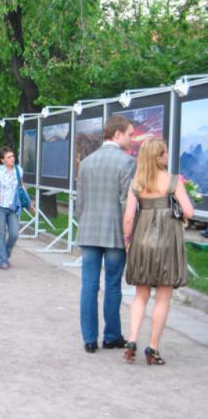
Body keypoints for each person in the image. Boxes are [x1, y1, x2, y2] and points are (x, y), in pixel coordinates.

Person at [122, 138, 193, 365]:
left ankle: (131, 339)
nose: (167, 157)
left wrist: (127, 240)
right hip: (167, 242)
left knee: (140, 295)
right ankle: (152, 347)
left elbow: (128, 217)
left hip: (142, 240)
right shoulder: (173, 182)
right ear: (159, 156)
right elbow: (189, 212)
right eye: (165, 153)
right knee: (163, 297)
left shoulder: (137, 182)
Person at [76, 115, 136, 354]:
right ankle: (111, 336)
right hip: (114, 233)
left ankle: (89, 339)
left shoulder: (87, 162)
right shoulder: (127, 163)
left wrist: (84, 222)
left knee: (88, 285)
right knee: (112, 285)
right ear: (117, 134)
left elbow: (80, 202)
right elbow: (126, 203)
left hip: (89, 231)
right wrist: (128, 233)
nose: (132, 139)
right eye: (130, 134)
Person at [0, 147, 24, 270]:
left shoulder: (18, 170)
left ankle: (6, 252)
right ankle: (3, 260)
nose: (12, 159)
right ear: (2, 160)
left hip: (13, 207)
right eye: (8, 157)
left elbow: (21, 186)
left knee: (14, 234)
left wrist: (29, 202)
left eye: (12, 156)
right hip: (0, 206)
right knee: (1, 234)